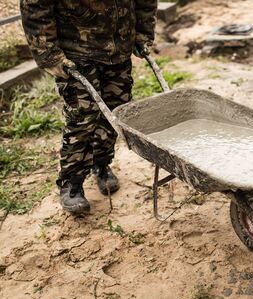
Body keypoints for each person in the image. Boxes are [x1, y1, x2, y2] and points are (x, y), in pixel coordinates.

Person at [20, 0, 158, 215]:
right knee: (83, 116)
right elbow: (36, 6)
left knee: (115, 112)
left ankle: (101, 164)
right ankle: (71, 183)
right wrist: (47, 53)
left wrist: (142, 32)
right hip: (76, 51)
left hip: (119, 47)